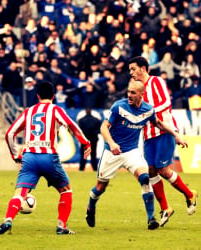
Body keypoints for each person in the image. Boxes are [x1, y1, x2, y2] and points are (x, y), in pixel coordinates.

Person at [85, 80, 188, 230]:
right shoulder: (119, 106)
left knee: (145, 177)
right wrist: (112, 143)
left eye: (133, 92)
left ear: (142, 94)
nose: (129, 95)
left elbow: (159, 123)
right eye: (128, 92)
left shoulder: (148, 109)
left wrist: (176, 135)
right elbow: (104, 127)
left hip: (132, 151)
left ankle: (151, 219)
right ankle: (91, 207)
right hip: (111, 152)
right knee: (100, 187)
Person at [0, 81, 91, 235]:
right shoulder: (55, 110)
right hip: (49, 157)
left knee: (20, 194)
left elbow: (9, 134)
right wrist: (85, 142)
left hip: (29, 158)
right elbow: (72, 125)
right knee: (66, 191)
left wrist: (15, 155)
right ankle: (61, 226)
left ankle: (8, 220)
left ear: (37, 96)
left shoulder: (28, 111)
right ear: (53, 96)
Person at [128, 56, 198, 226]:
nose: (131, 73)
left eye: (133, 69)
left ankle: (190, 194)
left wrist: (149, 113)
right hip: (148, 135)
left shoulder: (156, 82)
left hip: (164, 131)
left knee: (163, 169)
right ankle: (166, 208)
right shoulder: (136, 90)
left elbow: (166, 101)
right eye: (130, 70)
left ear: (143, 69)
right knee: (151, 171)